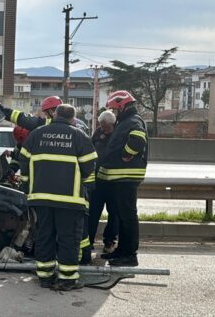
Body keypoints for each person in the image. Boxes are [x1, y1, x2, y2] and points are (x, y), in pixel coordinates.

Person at [19, 104, 97, 291]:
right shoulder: (79, 135)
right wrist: (79, 180)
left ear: (54, 115)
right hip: (69, 199)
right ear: (73, 118)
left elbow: (23, 159)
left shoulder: (37, 134)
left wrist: (28, 184)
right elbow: (90, 165)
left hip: (41, 198)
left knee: (44, 235)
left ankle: (45, 277)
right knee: (68, 238)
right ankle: (67, 279)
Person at [97, 91, 148, 267]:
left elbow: (137, 140)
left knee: (128, 217)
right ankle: (122, 251)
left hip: (126, 177)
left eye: (113, 109)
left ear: (122, 106)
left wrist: (127, 154)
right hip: (121, 178)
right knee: (122, 216)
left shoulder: (132, 121)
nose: (112, 112)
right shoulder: (126, 121)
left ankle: (130, 254)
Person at [87, 110, 120, 254]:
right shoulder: (97, 133)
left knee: (114, 214)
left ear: (112, 124)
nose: (102, 128)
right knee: (93, 213)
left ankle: (109, 241)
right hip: (98, 181)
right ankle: (88, 242)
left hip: (113, 183)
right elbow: (90, 149)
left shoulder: (118, 134)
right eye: (101, 125)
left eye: (105, 125)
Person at [0, 96, 90, 135]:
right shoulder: (80, 125)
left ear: (51, 111)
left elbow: (25, 119)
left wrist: (4, 111)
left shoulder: (48, 123)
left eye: (46, 113)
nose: (46, 116)